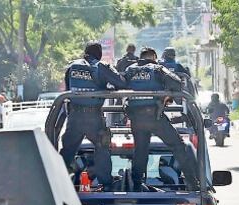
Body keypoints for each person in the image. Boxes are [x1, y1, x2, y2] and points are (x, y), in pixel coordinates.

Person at [124, 48, 200, 191]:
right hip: (155, 117)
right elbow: (177, 83)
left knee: (140, 151)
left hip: (136, 119)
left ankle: (136, 186)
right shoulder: (157, 68)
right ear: (153, 57)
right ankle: (192, 182)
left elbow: (120, 84)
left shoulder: (130, 70)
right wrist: (166, 94)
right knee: (178, 146)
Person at [60, 42, 126, 188]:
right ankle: (106, 185)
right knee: (102, 147)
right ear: (99, 54)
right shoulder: (100, 67)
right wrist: (107, 86)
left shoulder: (72, 66)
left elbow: (68, 88)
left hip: (74, 117)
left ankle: (59, 183)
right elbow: (121, 83)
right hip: (93, 117)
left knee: (67, 151)